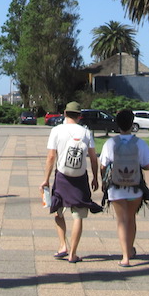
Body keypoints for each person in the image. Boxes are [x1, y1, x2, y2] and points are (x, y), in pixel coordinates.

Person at [39, 101, 101, 263]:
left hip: (62, 176)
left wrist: (45, 179)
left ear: (65, 113)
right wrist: (95, 177)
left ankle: (62, 245)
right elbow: (93, 158)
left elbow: (51, 156)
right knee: (78, 215)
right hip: (80, 178)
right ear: (79, 116)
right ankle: (73, 253)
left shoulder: (57, 130)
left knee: (58, 212)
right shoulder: (86, 133)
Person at [99, 109, 149, 267]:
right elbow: (148, 165)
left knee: (121, 220)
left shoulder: (111, 143)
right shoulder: (140, 143)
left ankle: (125, 257)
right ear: (132, 124)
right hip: (135, 187)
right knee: (131, 219)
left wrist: (102, 180)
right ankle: (130, 249)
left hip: (116, 187)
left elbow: (103, 165)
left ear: (117, 124)